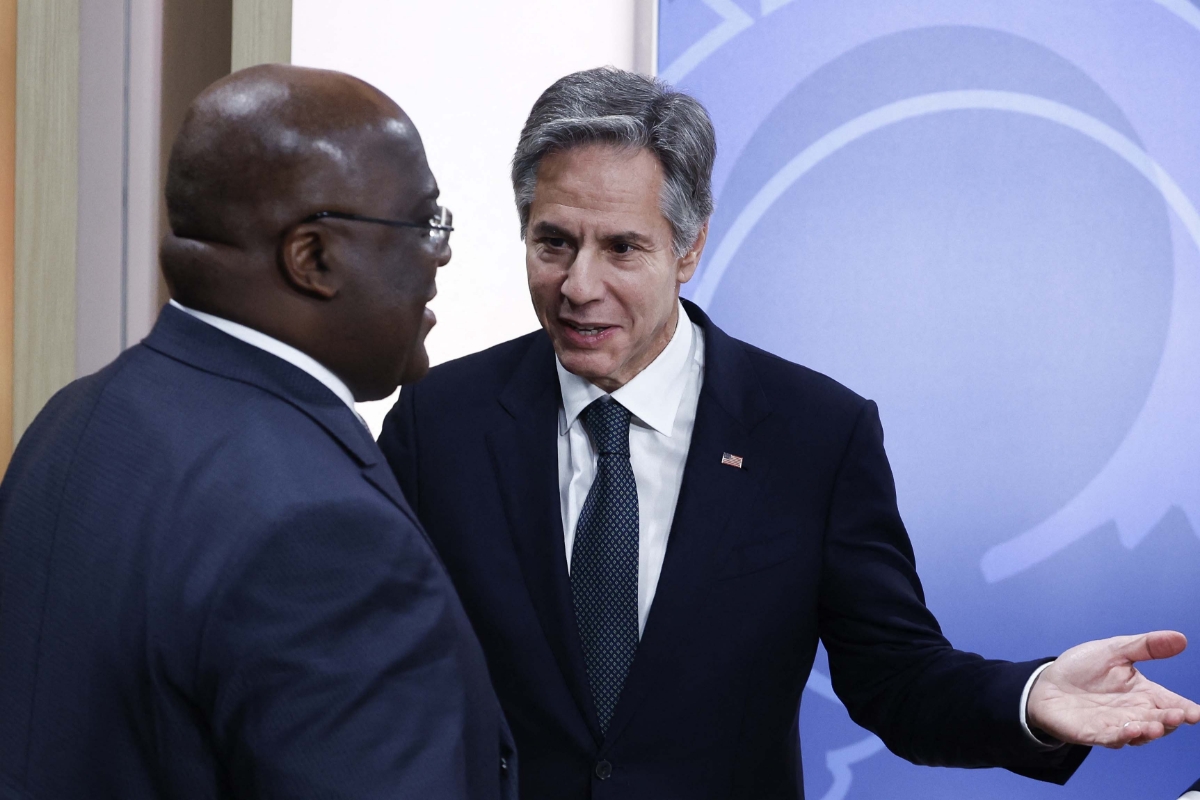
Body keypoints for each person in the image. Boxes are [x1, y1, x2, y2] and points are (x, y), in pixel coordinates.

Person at [377, 67, 1199, 799]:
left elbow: (895, 679)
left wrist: (1032, 699)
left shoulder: (815, 434)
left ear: (689, 247)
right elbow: (382, 678)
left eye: (623, 248)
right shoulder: (437, 424)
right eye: (553, 243)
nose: (578, 285)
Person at [0, 65, 515, 800]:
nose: (441, 254)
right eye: (423, 221)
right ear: (312, 258)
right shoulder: (325, 537)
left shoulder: (76, 419)